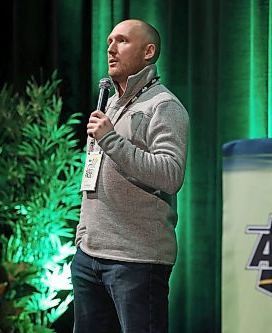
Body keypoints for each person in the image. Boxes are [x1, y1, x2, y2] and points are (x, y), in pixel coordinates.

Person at [71, 19, 189, 333]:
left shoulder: (163, 107)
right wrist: (82, 237)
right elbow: (94, 176)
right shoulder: (108, 105)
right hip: (89, 256)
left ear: (148, 51)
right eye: (109, 40)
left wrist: (110, 139)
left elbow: (170, 174)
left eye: (122, 41)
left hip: (135, 261)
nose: (111, 48)